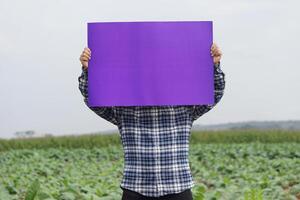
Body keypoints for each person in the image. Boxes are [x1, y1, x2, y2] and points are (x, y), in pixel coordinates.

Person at [78, 43, 225, 200]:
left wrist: (215, 65)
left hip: (178, 187)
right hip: (136, 189)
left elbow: (214, 93)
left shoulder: (184, 106)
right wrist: (88, 71)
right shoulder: (124, 109)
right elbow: (94, 100)